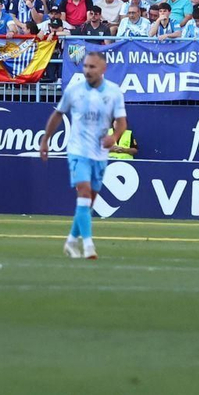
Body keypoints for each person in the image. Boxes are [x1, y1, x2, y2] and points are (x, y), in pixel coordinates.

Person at [39, 50, 126, 260]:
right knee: (84, 193)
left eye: (92, 67)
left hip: (100, 154)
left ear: (103, 69)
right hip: (78, 151)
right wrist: (45, 139)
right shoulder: (74, 90)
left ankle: (71, 240)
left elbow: (122, 122)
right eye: (85, 66)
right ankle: (88, 246)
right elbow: (58, 114)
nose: (87, 70)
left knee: (88, 202)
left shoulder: (114, 92)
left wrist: (114, 137)